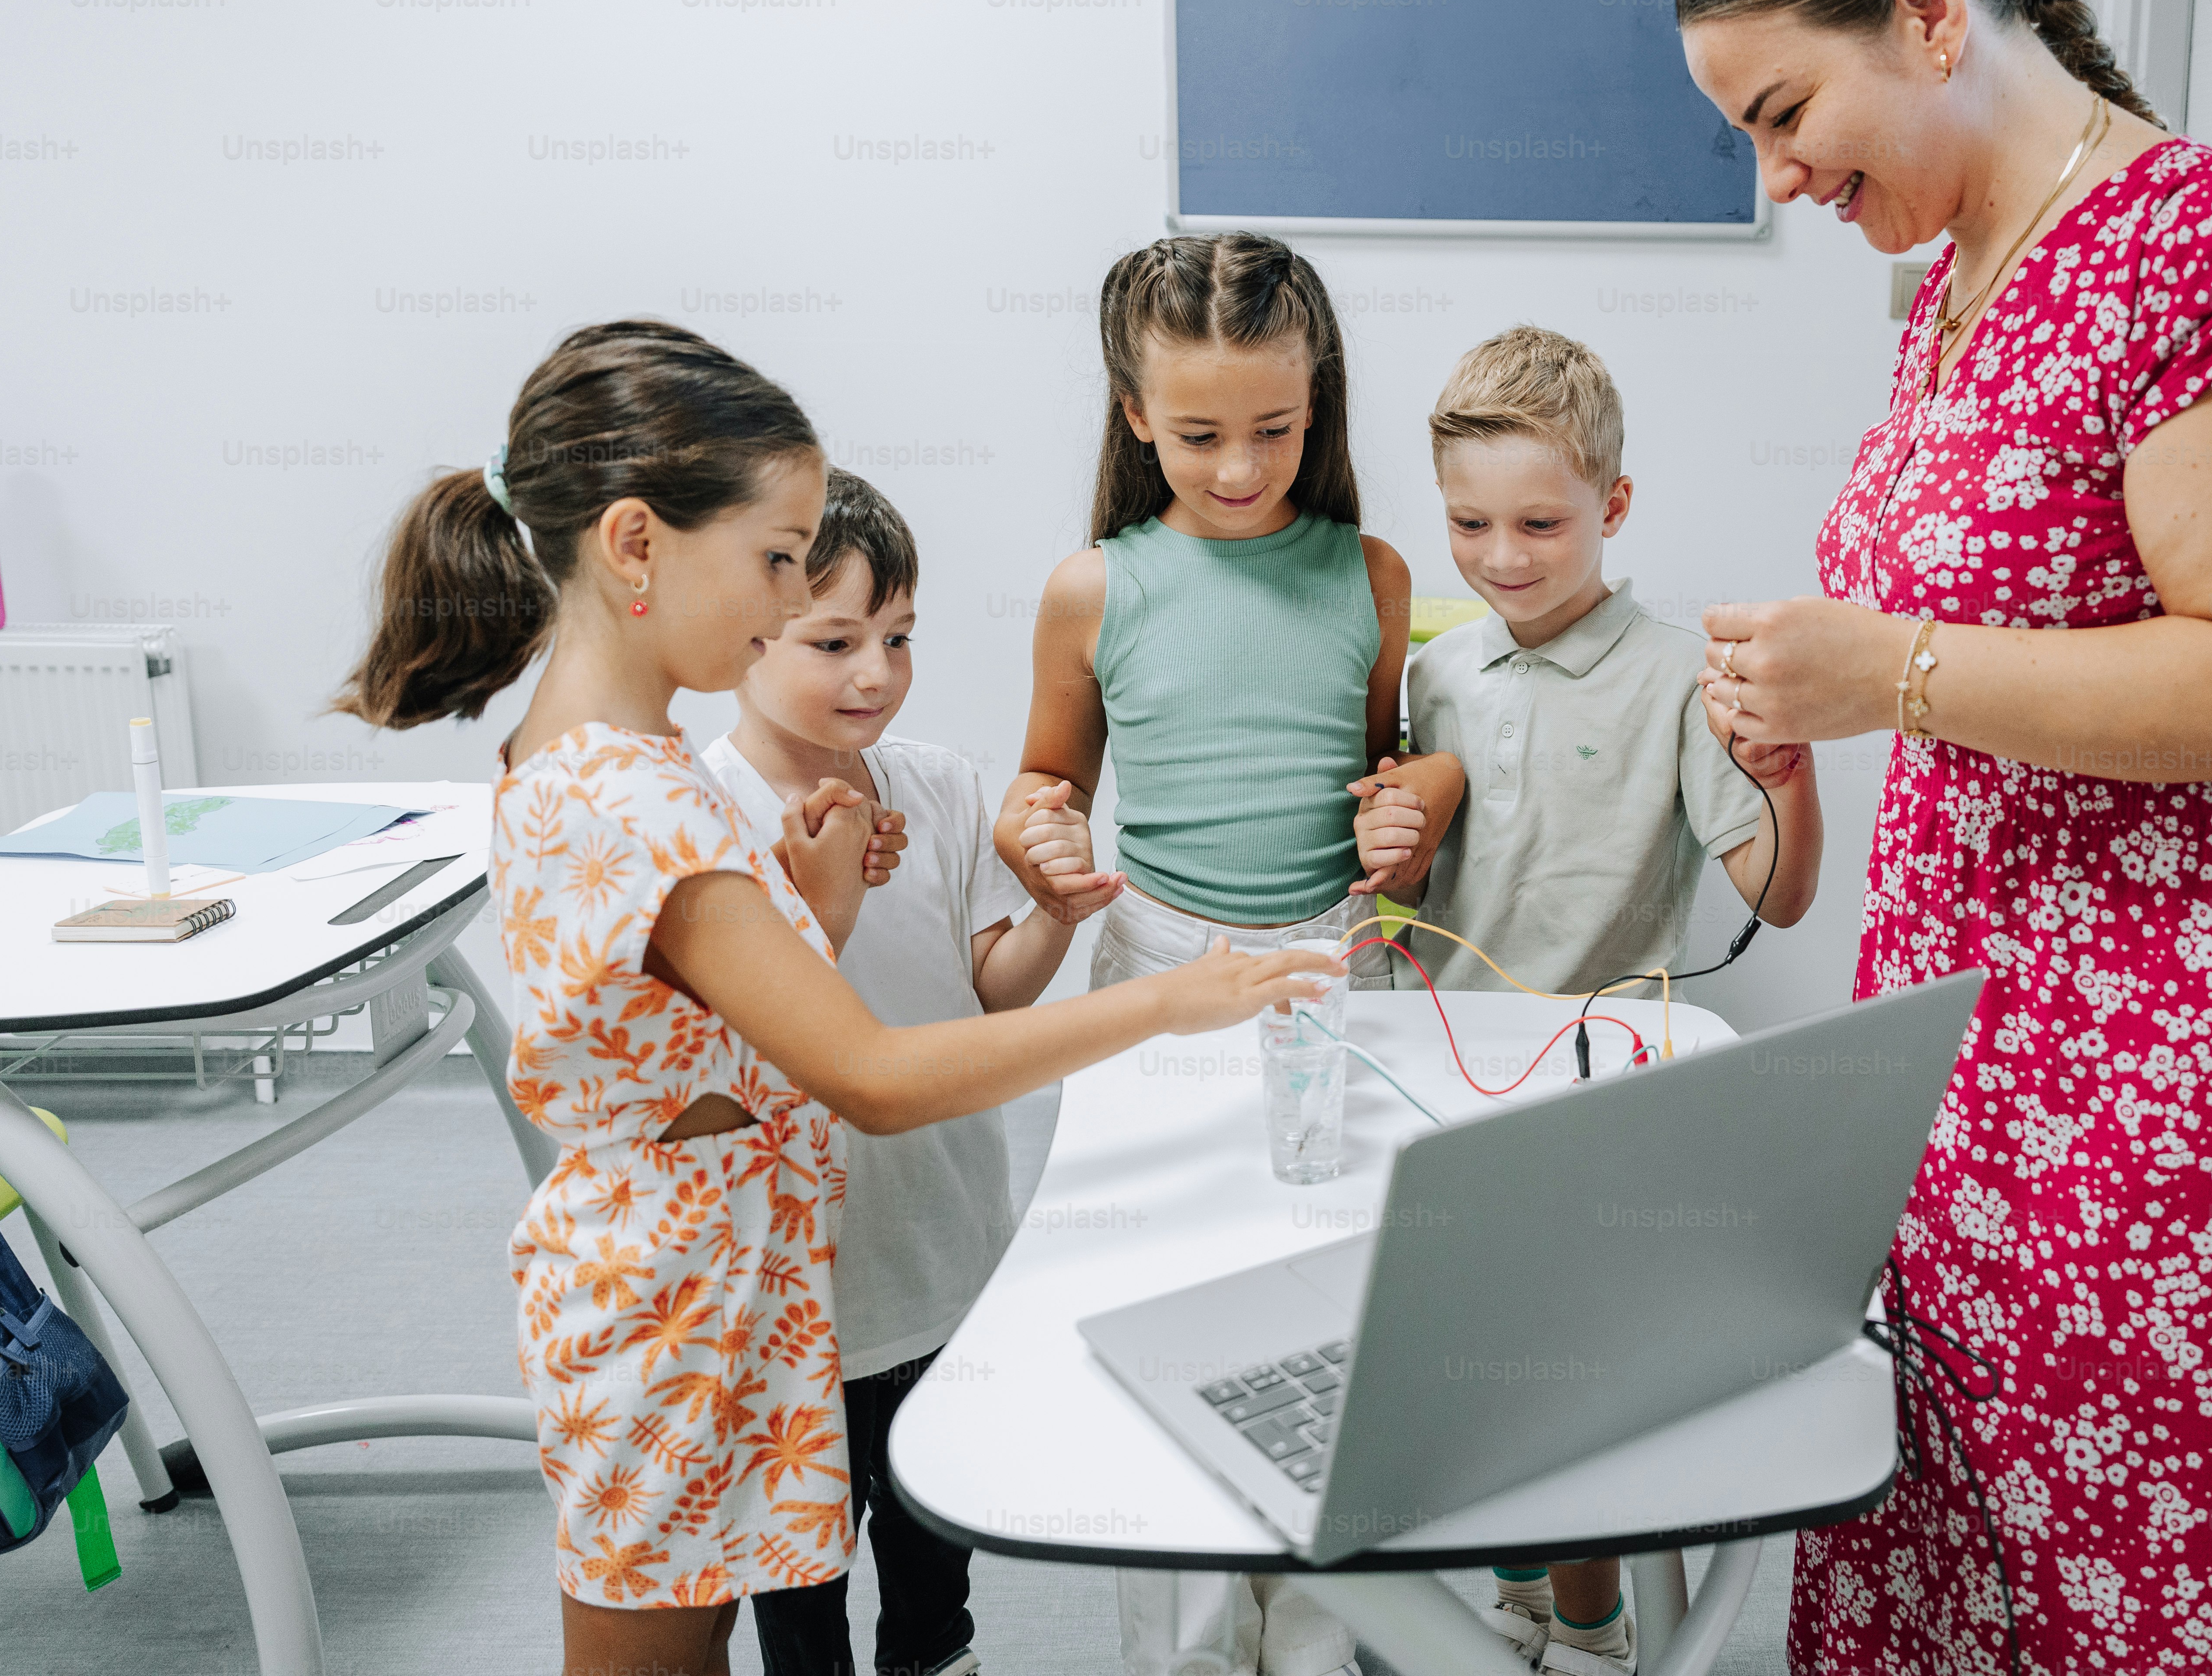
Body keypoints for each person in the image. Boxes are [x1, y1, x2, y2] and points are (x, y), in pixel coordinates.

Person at [1674, 0, 2212, 1675]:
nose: (1781, 179)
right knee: (1978, 1550)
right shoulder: (1959, 282)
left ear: (1930, 16)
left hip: (2181, 1077)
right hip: (1984, 1055)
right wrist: (1821, 697)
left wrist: (1893, 672)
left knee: (2156, 1583)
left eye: (1787, 115)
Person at [334, 318, 1330, 1676]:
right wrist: (1167, 1002)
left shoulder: (607, 747)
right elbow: (872, 1075)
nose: (793, 593)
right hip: (674, 1310)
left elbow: (701, 1015)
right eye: (777, 558)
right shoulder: (638, 796)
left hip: (718, 1285)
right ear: (635, 546)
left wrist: (819, 911)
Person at [999, 234, 1464, 1676]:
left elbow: (1381, 773)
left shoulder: (1372, 574)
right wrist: (1035, 831)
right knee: (1167, 1306)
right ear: (1135, 414)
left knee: (1337, 1309)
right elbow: (1048, 782)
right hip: (1157, 970)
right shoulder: (1093, 588)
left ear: (1320, 406)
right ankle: (1187, 1654)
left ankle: (1318, 1645)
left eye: (1277, 427)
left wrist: (1406, 812)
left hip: (1334, 965)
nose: (1243, 466)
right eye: (1200, 435)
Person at [1399, 325, 1823, 1675]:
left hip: (1603, 1090)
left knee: (1570, 1393)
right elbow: (1416, 882)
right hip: (1450, 1078)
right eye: (1470, 523)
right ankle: (1524, 1597)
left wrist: (1791, 776)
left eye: (1541, 523)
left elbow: (1779, 894)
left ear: (1614, 506)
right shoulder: (1433, 675)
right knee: (1479, 1375)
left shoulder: (1682, 678)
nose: (1503, 555)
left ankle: (1594, 1628)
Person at [699, 467, 1117, 1676]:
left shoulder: (933, 784)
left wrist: (1053, 915)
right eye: (835, 642)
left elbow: (989, 993)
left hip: (940, 1247)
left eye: (900, 637)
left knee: (938, 1560)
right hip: (794, 1291)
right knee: (801, 1581)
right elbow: (728, 1062)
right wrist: (815, 906)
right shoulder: (704, 815)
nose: (876, 673)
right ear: (743, 636)